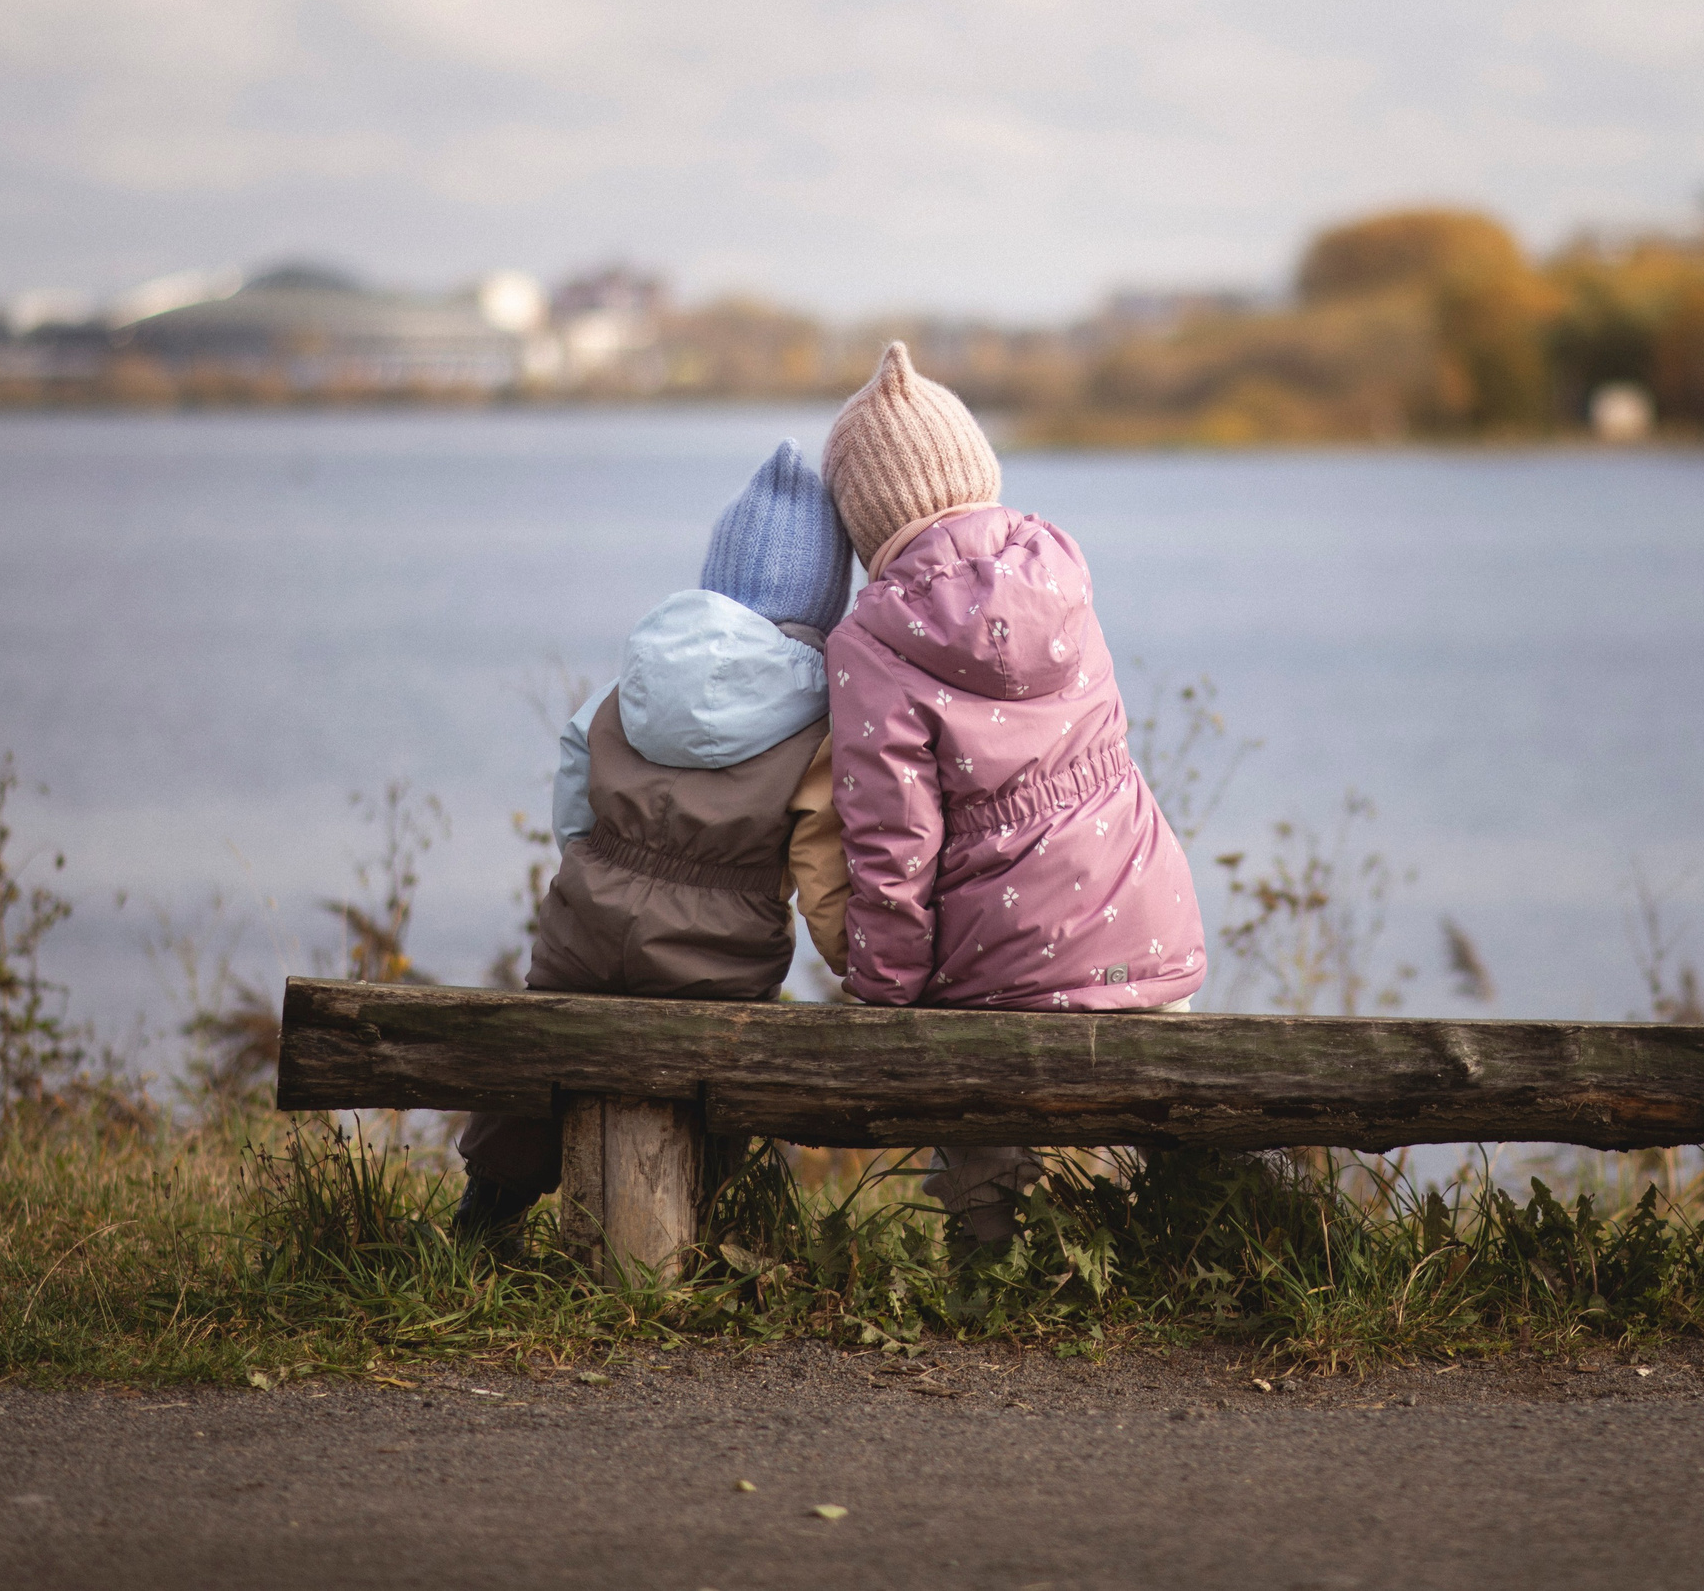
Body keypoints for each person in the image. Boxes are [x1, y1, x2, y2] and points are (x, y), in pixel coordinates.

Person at [822, 341, 1208, 1254]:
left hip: (1004, 966)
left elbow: (893, 848)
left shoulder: (871, 643)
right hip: (1149, 925)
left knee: (985, 1150)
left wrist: (882, 991)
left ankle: (991, 1271)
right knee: (1122, 1147)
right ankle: (1141, 1262)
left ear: (865, 524)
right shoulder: (1063, 573)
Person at [451, 439, 856, 1241]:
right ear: (824, 602)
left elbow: (574, 775)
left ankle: (488, 1209)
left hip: (583, 933)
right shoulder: (818, 719)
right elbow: (817, 857)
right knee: (733, 1072)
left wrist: (589, 866)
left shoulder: (636, 679)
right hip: (715, 964)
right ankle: (719, 1226)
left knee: (539, 1057)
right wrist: (855, 953)